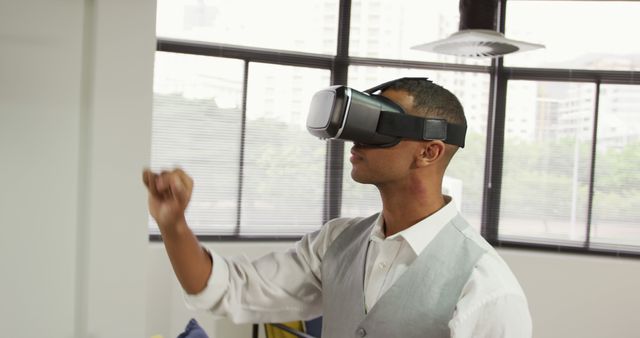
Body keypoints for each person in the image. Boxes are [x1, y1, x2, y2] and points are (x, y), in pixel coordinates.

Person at [143, 78, 532, 338]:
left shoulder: (486, 287)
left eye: (379, 127)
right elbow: (229, 290)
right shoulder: (337, 242)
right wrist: (174, 226)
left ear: (428, 151)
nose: (354, 141)